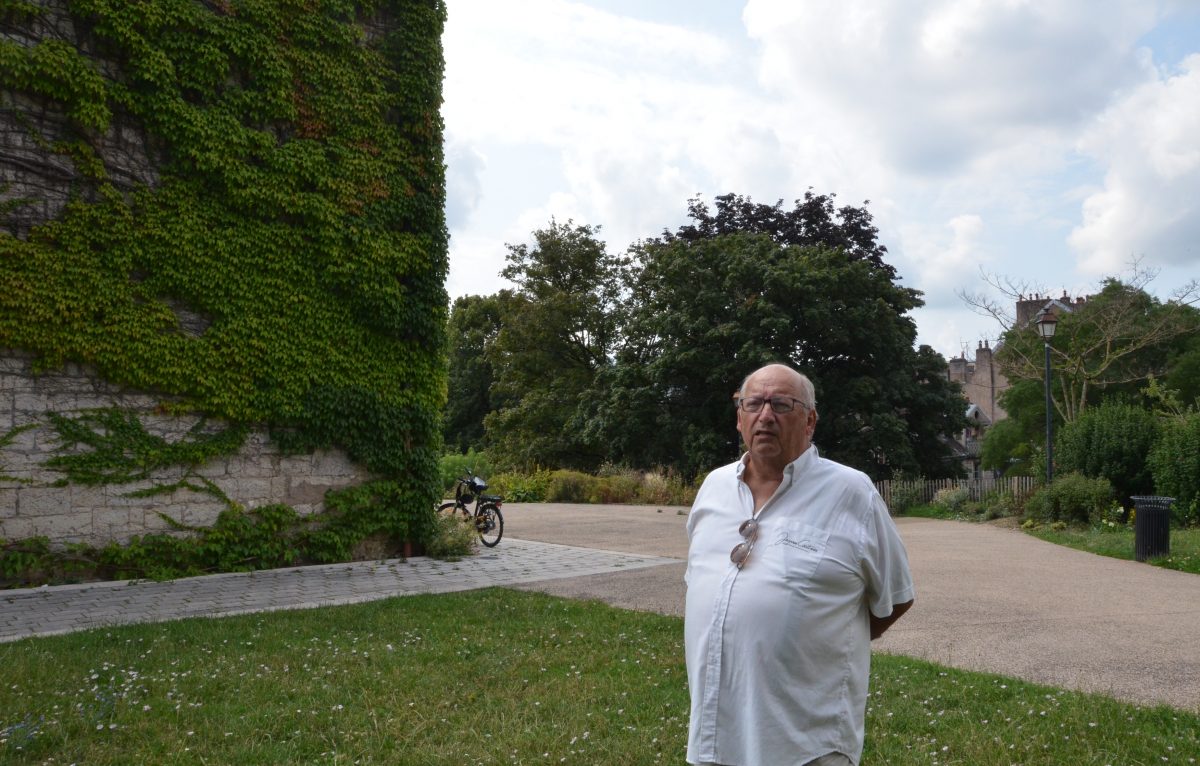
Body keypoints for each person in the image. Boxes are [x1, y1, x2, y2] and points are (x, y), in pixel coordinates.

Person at [684, 363, 915, 766]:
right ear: (740, 418)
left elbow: (896, 598)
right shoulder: (713, 487)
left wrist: (824, 635)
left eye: (782, 404)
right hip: (714, 739)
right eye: (753, 403)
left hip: (807, 745)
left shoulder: (851, 492)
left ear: (810, 420)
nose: (766, 415)